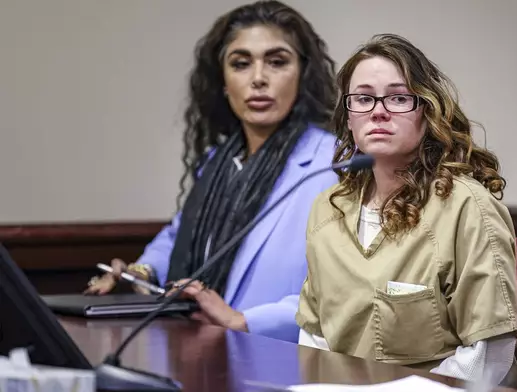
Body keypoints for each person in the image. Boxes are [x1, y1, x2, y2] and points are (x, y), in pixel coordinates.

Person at [84, 0, 338, 343]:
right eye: (241, 64)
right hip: (195, 348)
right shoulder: (219, 161)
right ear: (223, 81)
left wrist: (244, 321)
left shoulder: (334, 164)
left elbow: (344, 289)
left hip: (280, 357)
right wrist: (139, 272)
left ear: (302, 75)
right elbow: (178, 237)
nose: (259, 78)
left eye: (277, 62)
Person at [295, 34, 517, 389]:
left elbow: (490, 355)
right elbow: (315, 341)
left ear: (427, 112)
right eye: (363, 98)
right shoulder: (328, 208)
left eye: (399, 97)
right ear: (349, 117)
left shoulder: (467, 205)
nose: (378, 110)